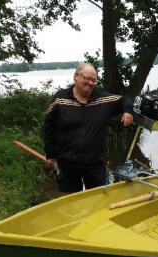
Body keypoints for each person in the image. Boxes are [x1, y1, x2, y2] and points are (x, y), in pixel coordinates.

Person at [43, 63, 134, 193]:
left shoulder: (102, 100)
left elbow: (124, 99)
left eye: (93, 80)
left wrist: (128, 111)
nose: (91, 83)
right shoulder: (60, 99)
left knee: (98, 200)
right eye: (87, 78)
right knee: (71, 202)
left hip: (94, 164)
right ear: (76, 77)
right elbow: (48, 127)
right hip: (67, 164)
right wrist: (50, 154)